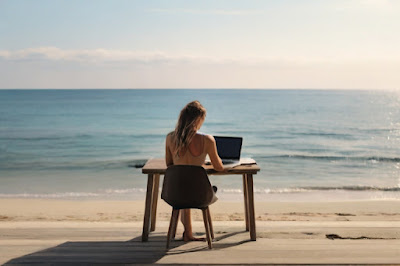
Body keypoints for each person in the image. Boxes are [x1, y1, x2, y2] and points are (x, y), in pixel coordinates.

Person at [165, 100, 225, 242]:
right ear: (198, 119)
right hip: (200, 196)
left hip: (175, 194)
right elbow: (219, 167)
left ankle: (188, 233)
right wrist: (202, 164)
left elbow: (169, 164)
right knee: (193, 188)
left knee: (184, 189)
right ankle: (189, 233)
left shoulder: (170, 138)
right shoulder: (208, 140)